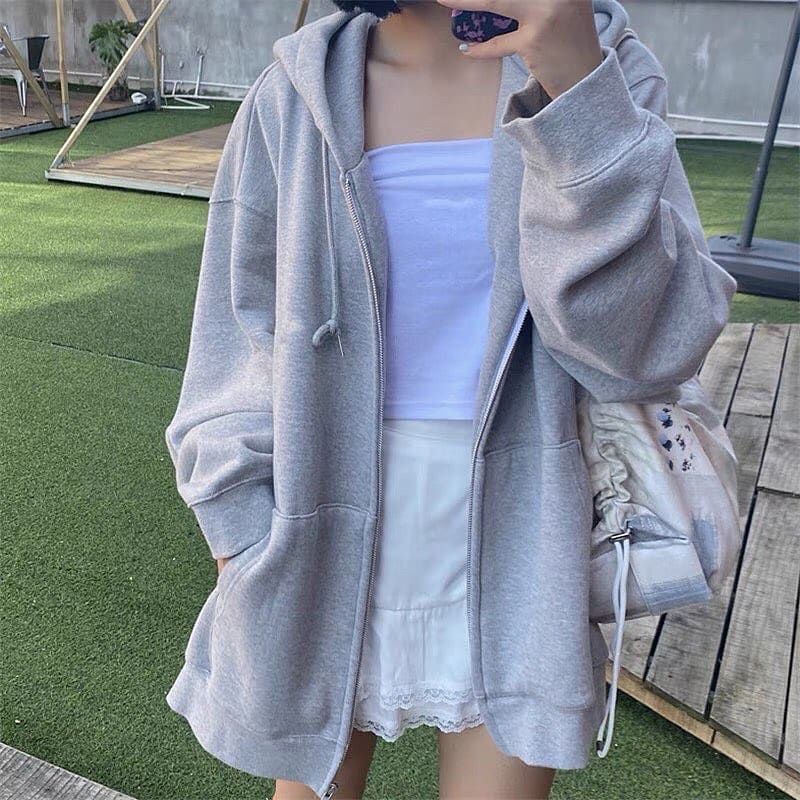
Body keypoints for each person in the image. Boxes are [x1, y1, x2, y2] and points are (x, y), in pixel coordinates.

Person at [163, 1, 738, 798]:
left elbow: (648, 352)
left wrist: (578, 94)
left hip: (526, 537)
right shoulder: (295, 93)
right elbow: (237, 334)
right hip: (320, 531)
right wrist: (240, 527)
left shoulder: (607, 69)